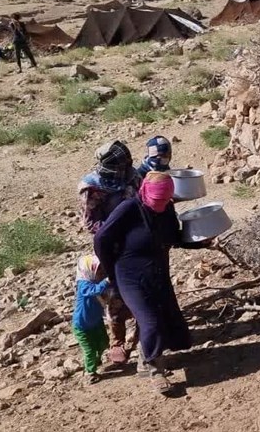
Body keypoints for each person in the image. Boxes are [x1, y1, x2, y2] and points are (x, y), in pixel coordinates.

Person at [94, 172, 191, 394]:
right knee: (150, 321)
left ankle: (147, 356)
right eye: (156, 201)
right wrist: (111, 270)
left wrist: (199, 242)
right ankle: (155, 370)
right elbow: (101, 239)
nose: (160, 205)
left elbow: (173, 238)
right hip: (129, 276)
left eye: (164, 200)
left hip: (157, 272)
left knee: (165, 316)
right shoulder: (129, 209)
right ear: (145, 191)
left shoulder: (166, 209)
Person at [78, 141, 141, 366]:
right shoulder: (93, 188)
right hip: (111, 247)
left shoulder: (132, 177)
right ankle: (117, 341)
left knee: (143, 287)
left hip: (138, 241)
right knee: (115, 292)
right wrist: (118, 228)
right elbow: (90, 222)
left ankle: (142, 333)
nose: (123, 169)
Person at [72, 254, 111, 384]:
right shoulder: (84, 284)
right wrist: (107, 281)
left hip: (96, 321)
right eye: (98, 270)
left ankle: (96, 359)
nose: (101, 272)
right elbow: (94, 291)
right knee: (89, 350)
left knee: (104, 342)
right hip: (82, 326)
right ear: (89, 270)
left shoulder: (96, 281)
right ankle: (90, 372)